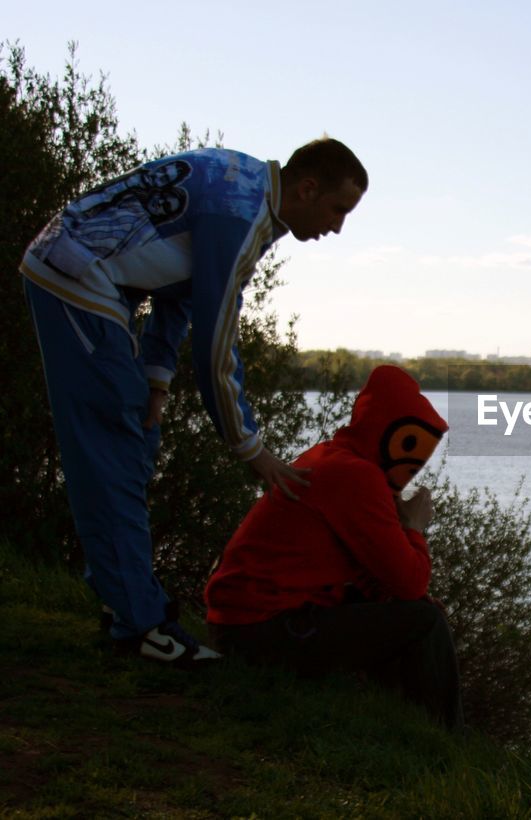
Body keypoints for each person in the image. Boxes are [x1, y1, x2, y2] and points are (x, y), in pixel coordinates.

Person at [21, 138, 368, 664]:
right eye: (339, 209)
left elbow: (177, 293)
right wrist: (249, 448)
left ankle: (125, 604)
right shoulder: (241, 213)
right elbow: (215, 342)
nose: (338, 226)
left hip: (87, 278)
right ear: (308, 187)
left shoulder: (245, 188)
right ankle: (140, 627)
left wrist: (157, 381)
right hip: (76, 276)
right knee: (111, 451)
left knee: (133, 435)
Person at [205, 365, 462, 730]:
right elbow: (411, 581)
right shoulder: (358, 476)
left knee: (410, 610)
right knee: (425, 622)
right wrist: (414, 527)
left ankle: (404, 722)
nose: (415, 466)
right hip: (256, 634)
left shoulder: (334, 457)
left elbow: (370, 571)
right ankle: (444, 738)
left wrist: (401, 599)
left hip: (239, 627)